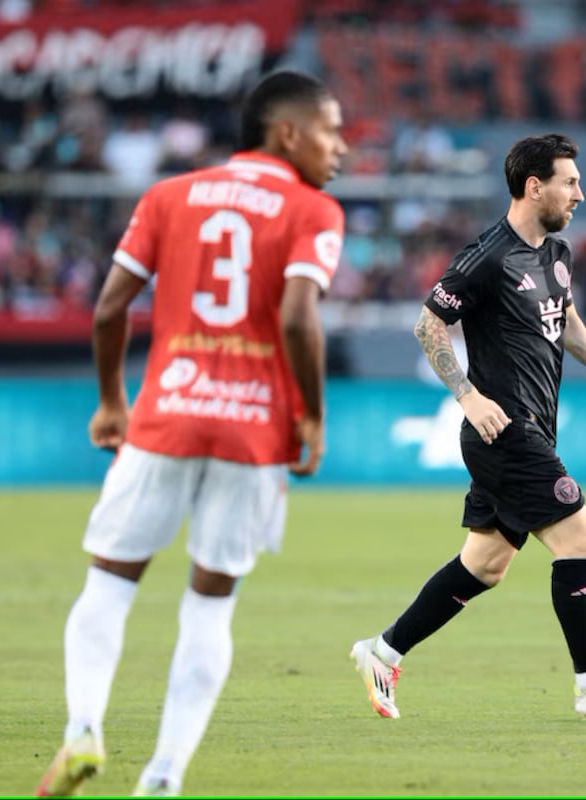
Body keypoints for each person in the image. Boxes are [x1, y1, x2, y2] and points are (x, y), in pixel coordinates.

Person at [35, 70, 347, 797]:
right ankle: (165, 776)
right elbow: (300, 319)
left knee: (109, 582)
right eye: (332, 131)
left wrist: (113, 401)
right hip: (252, 433)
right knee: (211, 601)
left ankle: (84, 729)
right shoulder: (312, 210)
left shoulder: (168, 195)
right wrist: (311, 416)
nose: (342, 149)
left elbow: (110, 309)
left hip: (165, 414)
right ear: (288, 132)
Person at [350, 133, 586, 720]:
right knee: (580, 539)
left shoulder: (557, 254)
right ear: (533, 186)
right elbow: (427, 326)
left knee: (485, 564)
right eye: (570, 182)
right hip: (503, 430)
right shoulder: (486, 256)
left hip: (536, 429)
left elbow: (566, 324)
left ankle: (382, 650)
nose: (580, 193)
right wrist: (467, 396)